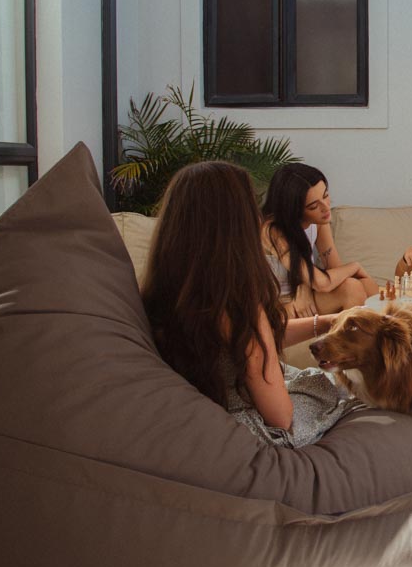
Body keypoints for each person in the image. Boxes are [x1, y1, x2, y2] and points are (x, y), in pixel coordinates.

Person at [142, 161, 360, 448]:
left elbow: (254, 338)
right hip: (246, 422)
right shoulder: (235, 302)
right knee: (338, 390)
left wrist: (327, 323)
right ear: (234, 225)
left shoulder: (168, 287)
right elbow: (282, 418)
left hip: (207, 407)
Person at [261, 163, 378, 317]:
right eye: (313, 206)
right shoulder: (272, 230)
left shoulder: (319, 222)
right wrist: (354, 266)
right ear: (294, 210)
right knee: (351, 288)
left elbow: (333, 269)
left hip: (305, 294)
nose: (326, 208)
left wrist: (305, 287)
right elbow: (320, 282)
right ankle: (350, 339)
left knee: (365, 285)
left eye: (325, 196)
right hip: (276, 305)